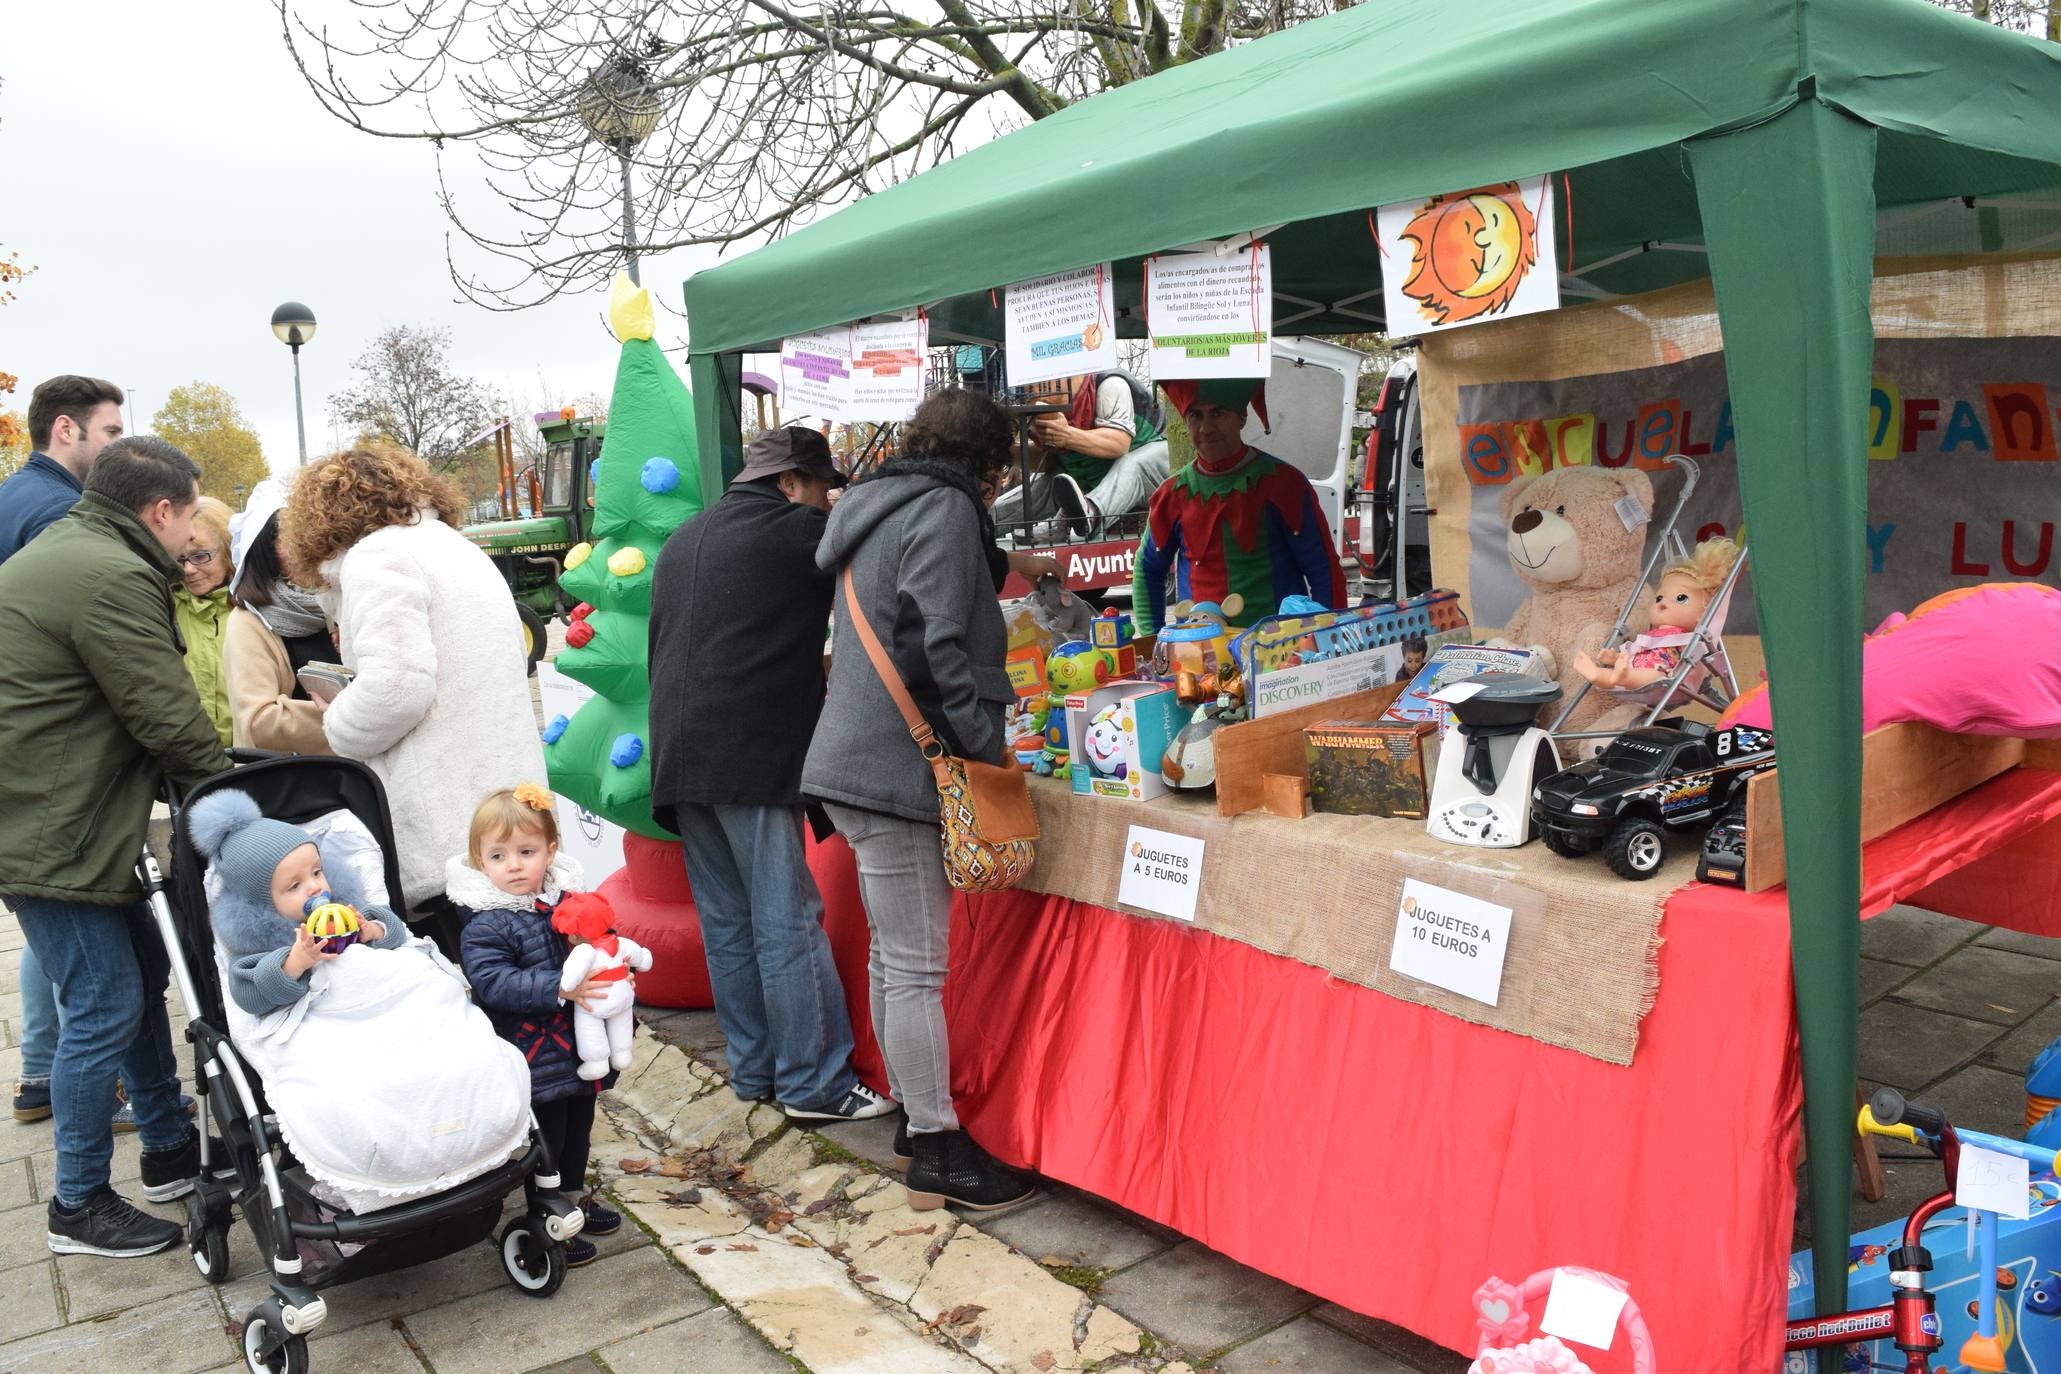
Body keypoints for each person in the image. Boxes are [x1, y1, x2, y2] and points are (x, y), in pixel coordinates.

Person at [0, 436, 234, 1257]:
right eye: (189, 518)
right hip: (50, 827)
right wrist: (235, 802)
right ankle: (77, 1203)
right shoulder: (110, 572)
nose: (190, 540)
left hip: (64, 813)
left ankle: (168, 1149)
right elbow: (163, 711)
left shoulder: (82, 548)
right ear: (160, 510)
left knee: (138, 975)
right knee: (101, 1003)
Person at [803, 389, 1037, 1212]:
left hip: (857, 758)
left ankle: (913, 1114)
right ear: (989, 462)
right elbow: (933, 641)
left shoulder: (872, 505)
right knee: (913, 966)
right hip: (898, 768)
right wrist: (982, 747)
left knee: (892, 959)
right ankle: (938, 1145)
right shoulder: (939, 510)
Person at [648, 427, 893, 1125]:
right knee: (786, 923)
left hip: (680, 760)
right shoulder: (793, 529)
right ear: (789, 483)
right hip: (748, 756)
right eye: (820, 491)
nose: (824, 506)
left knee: (730, 925)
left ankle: (755, 1072)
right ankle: (815, 1085)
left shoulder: (685, 537)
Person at [278, 442, 543, 955]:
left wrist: (337, 719)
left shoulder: (379, 557)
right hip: (505, 797)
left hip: (450, 811)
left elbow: (397, 688)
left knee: (475, 974)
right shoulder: (451, 545)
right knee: (522, 960)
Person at [2, 375, 125, 1127]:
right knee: (85, 950)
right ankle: (68, 1086)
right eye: (109, 431)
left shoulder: (15, 495)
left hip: (22, 757)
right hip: (50, 764)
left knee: (52, 926)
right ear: (66, 432)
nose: (117, 444)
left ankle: (41, 1074)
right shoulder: (57, 514)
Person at [452, 786, 624, 1269]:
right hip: (530, 1050)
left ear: (550, 852)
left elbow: (599, 943)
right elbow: (491, 982)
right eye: (499, 855)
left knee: (579, 1128)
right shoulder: (486, 924)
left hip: (578, 1046)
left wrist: (614, 963)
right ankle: (544, 1210)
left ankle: (571, 1195)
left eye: (526, 852)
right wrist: (558, 986)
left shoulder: (566, 904)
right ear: (480, 862)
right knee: (544, 1135)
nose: (513, 865)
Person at [1130, 378, 1348, 635]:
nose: (1206, 428)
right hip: (1198, 654)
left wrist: (1329, 639)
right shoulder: (1172, 494)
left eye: (1218, 413)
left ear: (1242, 418)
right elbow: (1147, 569)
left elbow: (1323, 568)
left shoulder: (1285, 483)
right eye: (1195, 416)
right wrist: (1153, 639)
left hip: (1278, 653)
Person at [224, 481, 334, 756]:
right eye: (290, 538)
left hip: (360, 776)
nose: (306, 546)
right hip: (297, 785)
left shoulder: (338, 602)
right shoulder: (249, 621)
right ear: (264, 550)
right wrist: (351, 717)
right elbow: (259, 722)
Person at [1027, 370, 1169, 540]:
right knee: (1055, 477)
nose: (1042, 387)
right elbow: (1044, 461)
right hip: (1102, 477)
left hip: (1157, 465)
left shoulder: (1110, 385)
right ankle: (991, 517)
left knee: (1133, 464)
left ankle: (1091, 513)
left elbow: (1119, 443)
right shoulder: (1045, 407)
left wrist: (1067, 435)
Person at [174, 497, 236, 747]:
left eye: (200, 556)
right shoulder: (163, 607)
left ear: (229, 551)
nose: (188, 569)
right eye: (179, 559)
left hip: (255, 760)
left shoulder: (257, 609)